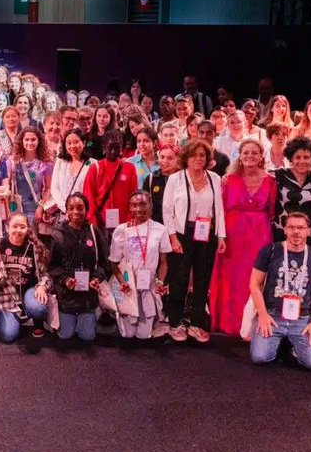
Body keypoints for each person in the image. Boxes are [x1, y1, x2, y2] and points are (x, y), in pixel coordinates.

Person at [247, 212, 311, 371]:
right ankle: (282, 342)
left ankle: (288, 340)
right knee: (259, 357)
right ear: (284, 230)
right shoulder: (270, 251)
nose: (296, 232)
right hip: (273, 315)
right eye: (291, 227)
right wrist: (263, 315)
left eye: (301, 228)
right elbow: (254, 284)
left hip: (302, 318)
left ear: (308, 231)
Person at [209, 139, 276, 337]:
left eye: (254, 153)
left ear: (261, 156)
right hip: (232, 236)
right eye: (245, 153)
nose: (249, 157)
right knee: (232, 278)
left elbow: (271, 211)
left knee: (254, 278)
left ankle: (252, 324)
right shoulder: (228, 180)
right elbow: (219, 211)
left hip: (259, 236)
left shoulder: (271, 181)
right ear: (239, 155)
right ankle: (229, 322)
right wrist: (220, 236)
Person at [160, 140, 225, 343]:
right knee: (179, 279)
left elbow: (220, 210)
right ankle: (175, 323)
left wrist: (221, 236)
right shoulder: (175, 179)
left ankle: (195, 324)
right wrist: (172, 237)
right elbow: (167, 210)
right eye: (194, 155)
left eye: (203, 155)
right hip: (181, 234)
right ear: (186, 157)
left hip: (206, 234)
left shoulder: (214, 178)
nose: (199, 158)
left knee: (202, 280)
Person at [108, 192, 171, 340]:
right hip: (128, 288)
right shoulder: (122, 230)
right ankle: (119, 314)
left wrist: (160, 282)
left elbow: (163, 263)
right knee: (127, 335)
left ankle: (153, 317)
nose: (138, 209)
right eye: (134, 205)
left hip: (148, 287)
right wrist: (123, 283)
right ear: (129, 207)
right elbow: (113, 263)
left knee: (143, 336)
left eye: (143, 204)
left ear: (150, 206)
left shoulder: (160, 230)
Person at [48, 193, 108, 344]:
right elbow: (53, 266)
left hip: (88, 295)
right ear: (66, 211)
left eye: (80, 208)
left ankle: (89, 317)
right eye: (71, 208)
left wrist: (97, 278)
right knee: (65, 335)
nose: (76, 211)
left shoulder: (95, 232)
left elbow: (104, 263)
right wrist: (65, 279)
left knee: (86, 336)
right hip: (66, 295)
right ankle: (67, 320)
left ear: (86, 209)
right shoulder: (58, 234)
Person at [0, 213, 52, 342]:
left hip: (29, 291)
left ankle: (38, 321)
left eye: (22, 227)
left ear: (28, 230)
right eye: (15, 226)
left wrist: (42, 286)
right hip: (7, 296)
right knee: (9, 336)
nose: (18, 230)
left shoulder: (33, 247)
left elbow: (45, 273)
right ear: (7, 227)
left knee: (38, 308)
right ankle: (13, 318)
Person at [82, 130, 138, 231]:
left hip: (124, 222)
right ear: (104, 147)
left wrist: (130, 219)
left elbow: (133, 196)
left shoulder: (129, 168)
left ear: (121, 148)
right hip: (100, 222)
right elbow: (88, 196)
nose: (113, 151)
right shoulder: (95, 168)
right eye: (110, 148)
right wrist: (92, 222)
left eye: (116, 148)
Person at [272, 137, 311, 243]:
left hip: (308, 235)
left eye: (306, 157)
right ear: (291, 159)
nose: (302, 161)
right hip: (282, 232)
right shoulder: (279, 175)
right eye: (297, 157)